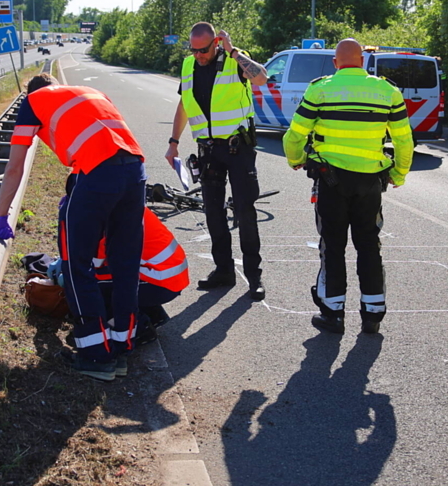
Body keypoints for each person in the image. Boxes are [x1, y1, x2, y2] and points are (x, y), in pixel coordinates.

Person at [0, 73, 146, 382]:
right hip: (135, 171)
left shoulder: (33, 101)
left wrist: (1, 216)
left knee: (76, 264)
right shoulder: (90, 91)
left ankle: (96, 356)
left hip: (99, 174)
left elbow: (15, 166)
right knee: (125, 265)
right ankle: (120, 349)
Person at [283, 38, 414, 335]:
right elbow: (404, 140)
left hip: (331, 180)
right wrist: (399, 173)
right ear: (363, 62)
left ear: (335, 63)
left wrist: (296, 159)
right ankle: (373, 314)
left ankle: (333, 314)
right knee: (368, 245)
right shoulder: (388, 91)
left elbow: (294, 135)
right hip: (370, 182)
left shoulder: (320, 89)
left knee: (333, 245)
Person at [165, 22, 270, 300]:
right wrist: (173, 142)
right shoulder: (189, 65)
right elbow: (184, 104)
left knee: (245, 211)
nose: (198, 55)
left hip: (238, 148)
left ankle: (254, 276)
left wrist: (233, 51)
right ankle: (223, 270)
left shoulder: (235, 60)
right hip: (209, 150)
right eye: (194, 50)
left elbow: (261, 78)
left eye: (203, 50)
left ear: (216, 43)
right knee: (213, 212)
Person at [93, 207, 189, 344]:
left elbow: (95, 263)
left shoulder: (108, 216)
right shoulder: (129, 204)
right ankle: (153, 314)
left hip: (160, 282)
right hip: (171, 277)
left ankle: (140, 329)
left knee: (93, 285)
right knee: (115, 274)